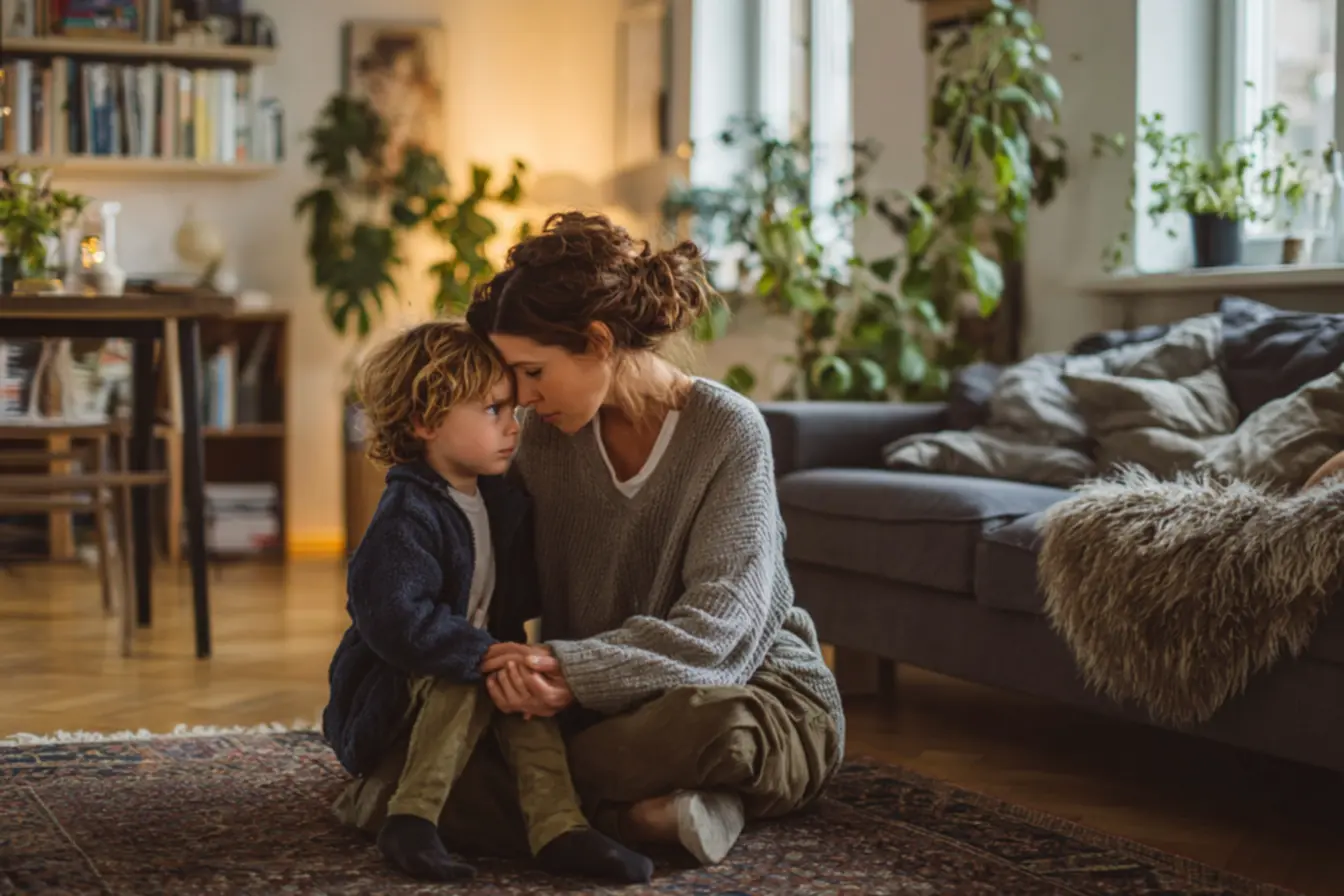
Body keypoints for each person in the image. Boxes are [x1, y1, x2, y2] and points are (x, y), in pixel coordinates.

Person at [456, 210, 847, 865]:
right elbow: (489, 579)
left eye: (534, 370)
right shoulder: (541, 443)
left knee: (722, 729)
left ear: (598, 341)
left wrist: (569, 669)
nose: (521, 395)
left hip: (741, 691)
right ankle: (651, 816)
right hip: (601, 709)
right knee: (437, 754)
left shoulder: (728, 431)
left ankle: (576, 811)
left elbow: (720, 631)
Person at [322, 321, 653, 884]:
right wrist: (482, 652)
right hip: (396, 688)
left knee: (523, 695)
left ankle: (559, 829)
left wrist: (517, 659)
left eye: (513, 411)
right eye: (493, 411)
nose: (513, 427)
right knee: (468, 676)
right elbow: (394, 620)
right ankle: (411, 818)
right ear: (426, 421)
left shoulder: (498, 499)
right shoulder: (408, 512)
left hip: (479, 662)